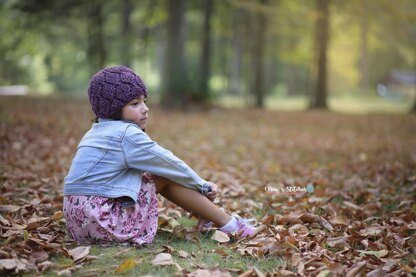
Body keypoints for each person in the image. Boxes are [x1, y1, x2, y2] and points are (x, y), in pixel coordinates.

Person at [63, 65, 257, 246]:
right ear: (113, 109)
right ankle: (230, 224)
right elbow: (168, 163)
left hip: (78, 225)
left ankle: (206, 215)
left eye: (144, 102)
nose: (145, 109)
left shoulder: (95, 131)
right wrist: (202, 185)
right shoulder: (126, 134)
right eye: (135, 103)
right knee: (160, 175)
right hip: (104, 222)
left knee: (149, 176)